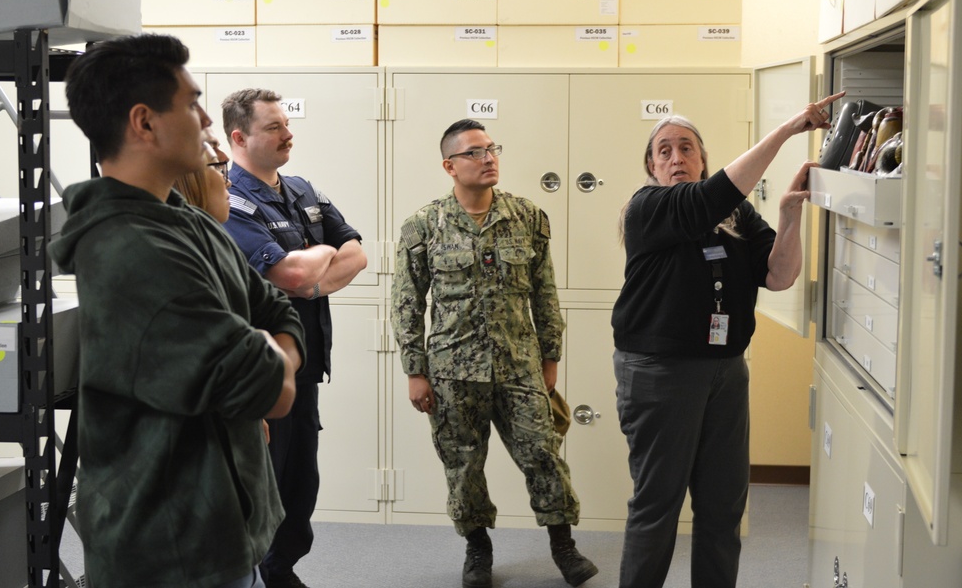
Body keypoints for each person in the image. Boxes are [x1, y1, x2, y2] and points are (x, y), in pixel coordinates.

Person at [47, 33, 305, 588]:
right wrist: (269, 352)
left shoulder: (185, 223)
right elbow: (271, 393)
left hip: (226, 529)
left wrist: (266, 344)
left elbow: (277, 307)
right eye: (191, 102)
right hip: (171, 551)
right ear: (144, 122)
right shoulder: (133, 251)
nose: (207, 118)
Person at [611, 92, 845, 587]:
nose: (677, 158)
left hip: (725, 372)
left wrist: (788, 216)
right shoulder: (648, 207)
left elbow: (778, 277)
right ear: (652, 166)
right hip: (660, 373)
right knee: (657, 506)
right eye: (665, 151)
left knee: (722, 506)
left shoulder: (738, 217)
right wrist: (786, 130)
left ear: (703, 159)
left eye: (687, 149)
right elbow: (710, 196)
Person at [391, 119, 599, 588]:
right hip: (451, 370)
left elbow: (545, 293)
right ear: (450, 166)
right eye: (474, 152)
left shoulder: (527, 216)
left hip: (519, 364)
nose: (488, 158)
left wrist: (551, 357)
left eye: (491, 148)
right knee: (463, 465)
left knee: (543, 456)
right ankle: (477, 549)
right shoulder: (422, 225)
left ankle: (563, 546)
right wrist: (415, 371)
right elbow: (406, 303)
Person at [221, 88, 367, 588]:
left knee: (300, 484)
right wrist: (314, 264)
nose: (288, 134)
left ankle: (281, 569)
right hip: (261, 372)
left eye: (286, 124)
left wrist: (315, 266)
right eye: (274, 128)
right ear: (239, 138)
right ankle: (257, 574)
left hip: (304, 365)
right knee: (259, 487)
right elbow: (288, 275)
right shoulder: (229, 200)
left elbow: (357, 253)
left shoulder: (302, 188)